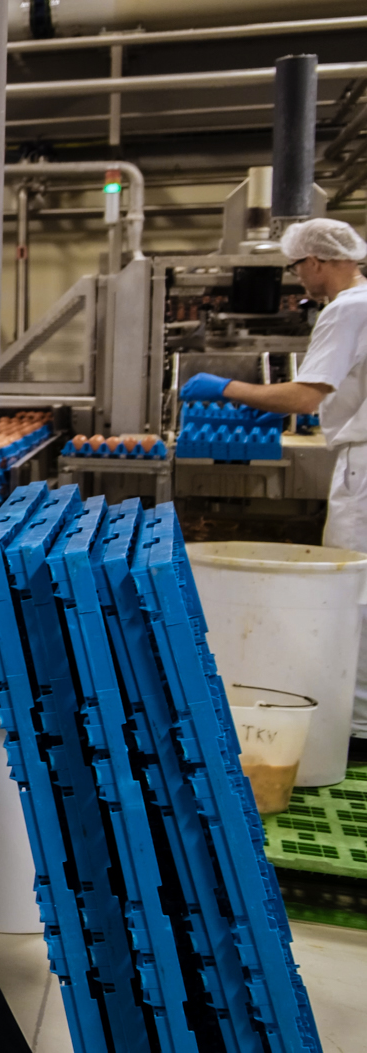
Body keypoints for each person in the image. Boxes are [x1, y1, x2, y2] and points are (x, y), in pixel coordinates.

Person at [180, 216, 367, 753]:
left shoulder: (346, 309)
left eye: (296, 267)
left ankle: (350, 732)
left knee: (352, 598)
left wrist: (228, 388)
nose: (297, 279)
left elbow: (305, 397)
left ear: (316, 262)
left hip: (362, 464)